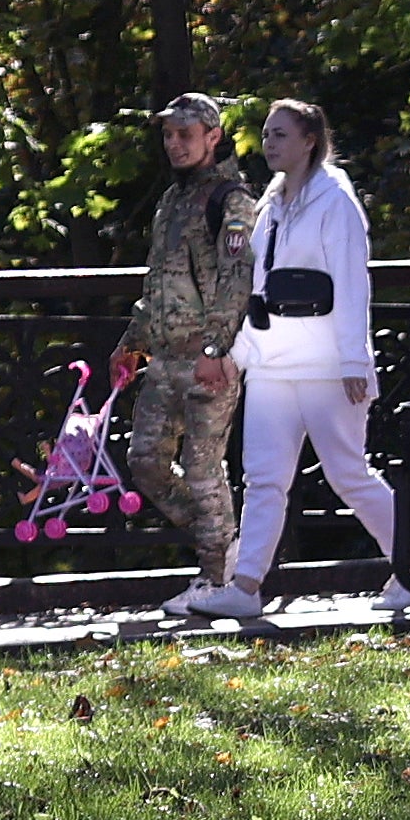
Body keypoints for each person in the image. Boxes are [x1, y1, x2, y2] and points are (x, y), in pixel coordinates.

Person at [186, 98, 410, 620]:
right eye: (267, 134)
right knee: (263, 477)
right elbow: (255, 290)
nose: (270, 143)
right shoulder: (269, 204)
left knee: (348, 474)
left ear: (310, 141)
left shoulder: (336, 201)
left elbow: (354, 282)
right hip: (273, 364)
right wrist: (236, 355)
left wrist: (355, 363)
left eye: (281, 134)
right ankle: (245, 586)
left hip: (326, 366)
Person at [111, 93, 259, 617]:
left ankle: (218, 577)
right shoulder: (172, 200)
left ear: (212, 137)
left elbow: (237, 278)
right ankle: (225, 546)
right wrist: (133, 341)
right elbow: (157, 282)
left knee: (202, 469)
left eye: (185, 134)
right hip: (166, 357)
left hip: (207, 357)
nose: (174, 144)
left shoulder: (232, 199)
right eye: (169, 135)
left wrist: (218, 348)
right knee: (144, 462)